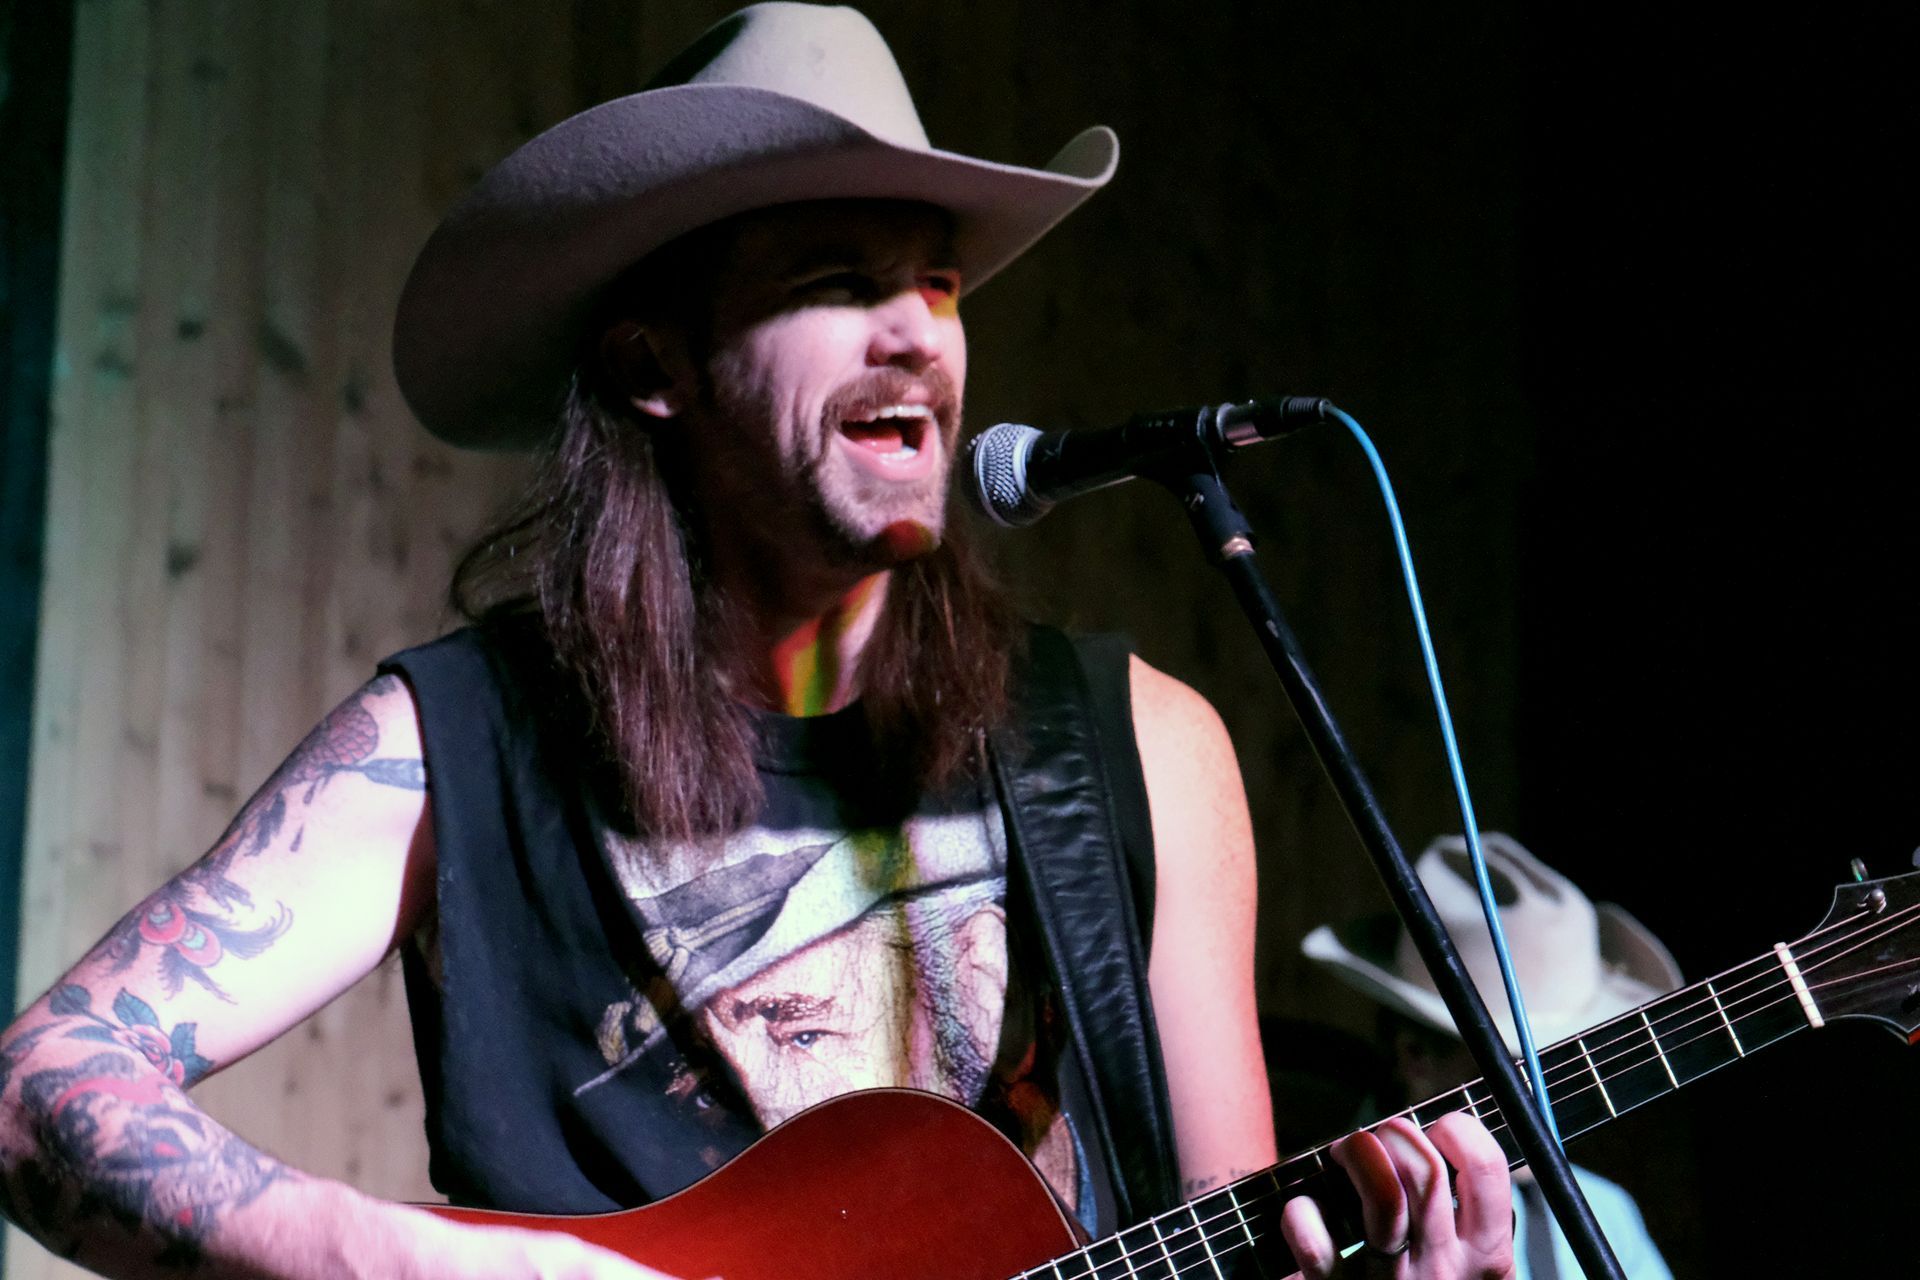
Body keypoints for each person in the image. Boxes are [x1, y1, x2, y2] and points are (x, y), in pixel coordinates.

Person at [0, 6, 1517, 1277]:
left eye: (934, 278)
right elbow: (40, 1087)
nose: (916, 329)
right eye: (834, 282)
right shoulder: (462, 749)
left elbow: (1230, 1241)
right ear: (659, 365)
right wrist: (431, 1264)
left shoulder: (1141, 751)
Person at [1302, 833, 1681, 1279]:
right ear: (1417, 1056)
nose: (1555, 1096)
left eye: (1573, 1065)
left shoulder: (1606, 1214)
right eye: (1525, 1067)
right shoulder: (1320, 1224)